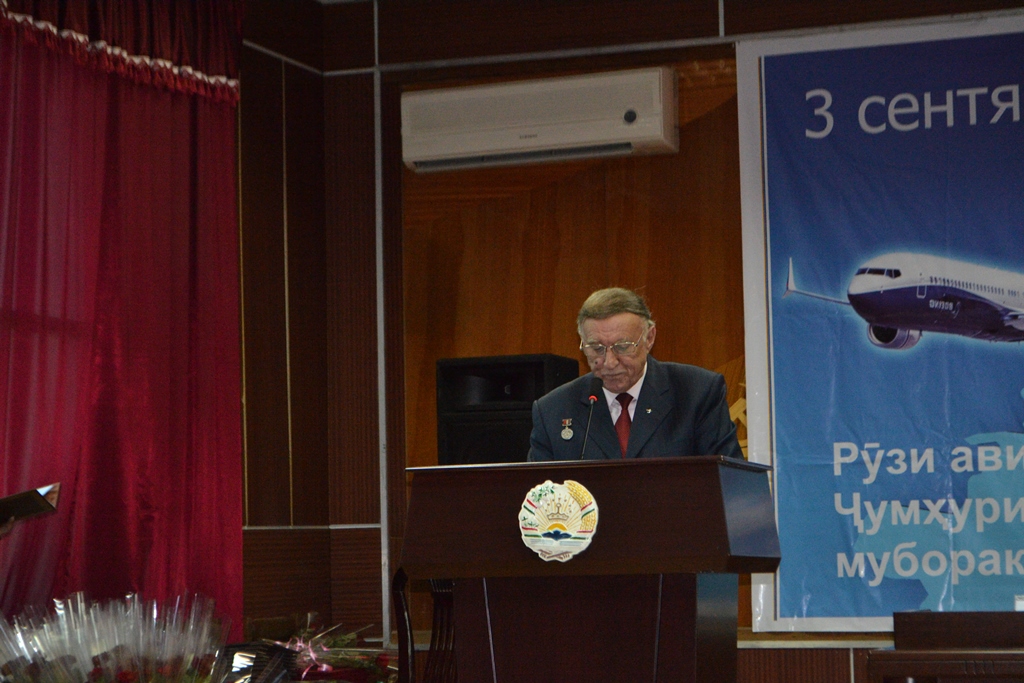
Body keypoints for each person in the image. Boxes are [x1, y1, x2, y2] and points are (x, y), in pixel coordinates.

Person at [528, 287, 743, 461]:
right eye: (596, 348)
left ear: (649, 338)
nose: (609, 363)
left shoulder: (697, 393)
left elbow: (730, 483)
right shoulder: (553, 410)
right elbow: (536, 495)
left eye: (622, 347)